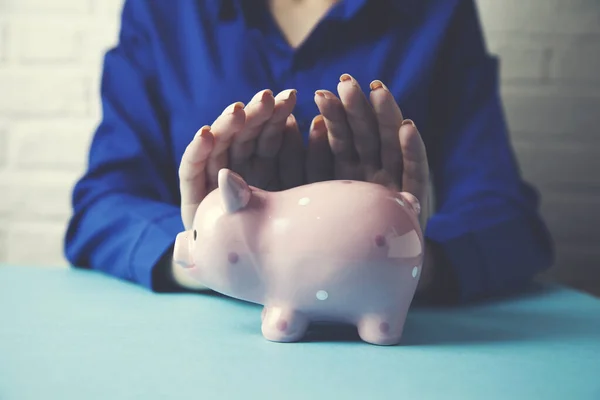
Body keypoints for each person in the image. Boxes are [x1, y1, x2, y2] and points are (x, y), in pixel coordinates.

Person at [64, 0, 554, 304]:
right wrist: (201, 254)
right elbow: (101, 205)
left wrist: (402, 261)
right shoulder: (163, 10)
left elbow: (506, 217)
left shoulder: (436, 10)